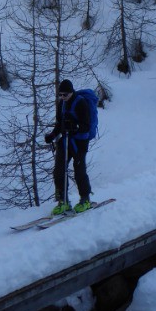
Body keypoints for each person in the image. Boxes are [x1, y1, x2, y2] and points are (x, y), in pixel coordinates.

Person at [45, 79, 92, 215]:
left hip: (79, 143)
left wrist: (76, 127)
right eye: (60, 95)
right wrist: (52, 135)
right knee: (58, 171)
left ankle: (85, 199)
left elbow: (86, 126)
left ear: (71, 92)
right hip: (65, 141)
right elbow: (59, 124)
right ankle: (63, 201)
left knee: (79, 171)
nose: (62, 97)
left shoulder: (81, 103)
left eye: (65, 95)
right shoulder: (62, 104)